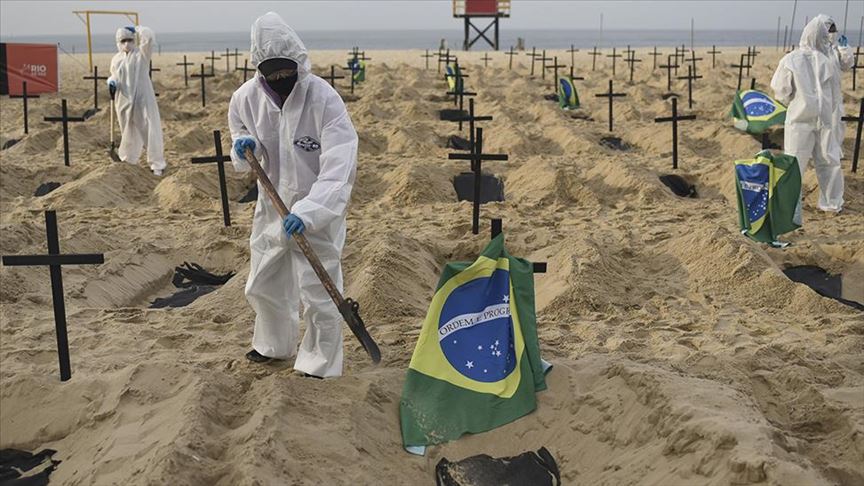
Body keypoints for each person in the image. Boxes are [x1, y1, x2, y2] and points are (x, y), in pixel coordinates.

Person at [228, 12, 358, 378]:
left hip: (317, 207)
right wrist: (241, 147)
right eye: (274, 74)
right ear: (260, 69)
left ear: (299, 64)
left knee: (319, 289)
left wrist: (312, 210)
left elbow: (339, 165)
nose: (282, 80)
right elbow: (237, 130)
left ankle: (319, 362)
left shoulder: (324, 99)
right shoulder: (245, 99)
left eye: (288, 72)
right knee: (264, 279)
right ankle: (273, 345)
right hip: (270, 206)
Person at [770, 15, 854, 213]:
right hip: (821, 120)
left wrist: (797, 101)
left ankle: (791, 206)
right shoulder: (824, 61)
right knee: (828, 162)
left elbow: (780, 91)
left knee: (795, 163)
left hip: (802, 120)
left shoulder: (792, 59)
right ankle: (831, 204)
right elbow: (834, 92)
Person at [107, 25, 166, 176]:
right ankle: (128, 160)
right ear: (118, 42)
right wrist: (112, 82)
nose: (126, 43)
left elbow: (149, 38)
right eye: (123, 40)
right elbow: (114, 75)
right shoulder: (116, 59)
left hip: (142, 100)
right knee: (127, 130)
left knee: (149, 129)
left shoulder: (141, 55)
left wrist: (138, 28)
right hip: (124, 100)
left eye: (129, 40)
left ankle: (156, 164)